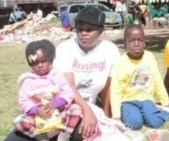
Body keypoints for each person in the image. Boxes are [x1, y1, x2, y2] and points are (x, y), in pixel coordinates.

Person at [4, 7, 120, 140]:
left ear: (100, 30)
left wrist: (106, 116)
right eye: (80, 28)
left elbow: (108, 87)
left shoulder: (109, 50)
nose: (83, 33)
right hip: (61, 106)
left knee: (84, 134)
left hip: (78, 112)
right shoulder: (66, 49)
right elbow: (69, 86)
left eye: (89, 29)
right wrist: (88, 112)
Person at [12, 39, 81, 141]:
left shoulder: (57, 75)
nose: (40, 65)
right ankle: (41, 137)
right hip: (37, 118)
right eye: (35, 63)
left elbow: (68, 92)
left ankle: (65, 135)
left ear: (50, 60)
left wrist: (56, 103)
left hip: (59, 114)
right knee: (18, 121)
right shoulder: (28, 80)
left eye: (43, 61)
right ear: (30, 64)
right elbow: (23, 101)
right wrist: (36, 110)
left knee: (75, 109)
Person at [110, 24, 169, 130]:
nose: (136, 44)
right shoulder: (120, 63)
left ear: (144, 43)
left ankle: (157, 110)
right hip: (128, 101)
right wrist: (116, 116)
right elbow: (116, 90)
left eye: (140, 40)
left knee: (156, 122)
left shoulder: (149, 57)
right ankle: (136, 114)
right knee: (135, 124)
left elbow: (157, 80)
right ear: (125, 44)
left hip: (146, 99)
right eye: (132, 40)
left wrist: (166, 102)